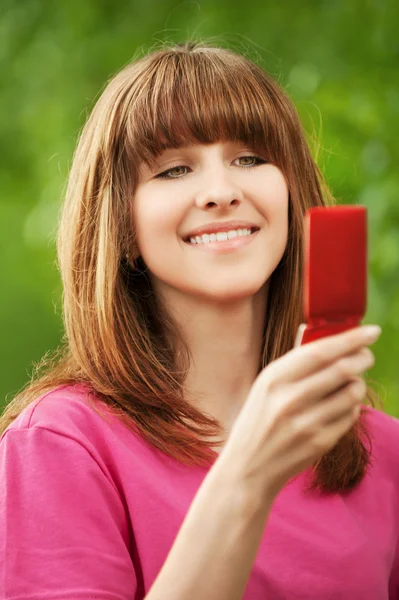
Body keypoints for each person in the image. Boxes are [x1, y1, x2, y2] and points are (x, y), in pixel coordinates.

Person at [0, 41, 398, 600]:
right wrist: (247, 476)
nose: (221, 192)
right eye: (174, 169)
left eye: (250, 159)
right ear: (121, 226)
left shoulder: (386, 452)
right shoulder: (61, 445)